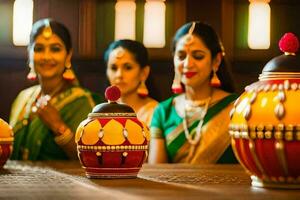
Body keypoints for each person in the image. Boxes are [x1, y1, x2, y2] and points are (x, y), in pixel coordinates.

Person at [9, 18, 100, 160]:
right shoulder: (23, 97)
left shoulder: (83, 102)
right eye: (39, 49)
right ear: (29, 54)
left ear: (68, 55)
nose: (46, 56)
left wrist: (58, 126)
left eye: (55, 49)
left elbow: (93, 158)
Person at [148, 21, 238, 164]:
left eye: (198, 56)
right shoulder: (163, 111)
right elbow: (157, 173)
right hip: (172, 187)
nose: (188, 64)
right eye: (181, 56)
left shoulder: (237, 108)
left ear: (216, 61)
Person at [104, 39, 158, 126]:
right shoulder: (102, 112)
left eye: (128, 67)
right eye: (114, 68)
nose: (119, 75)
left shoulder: (156, 113)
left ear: (144, 73)